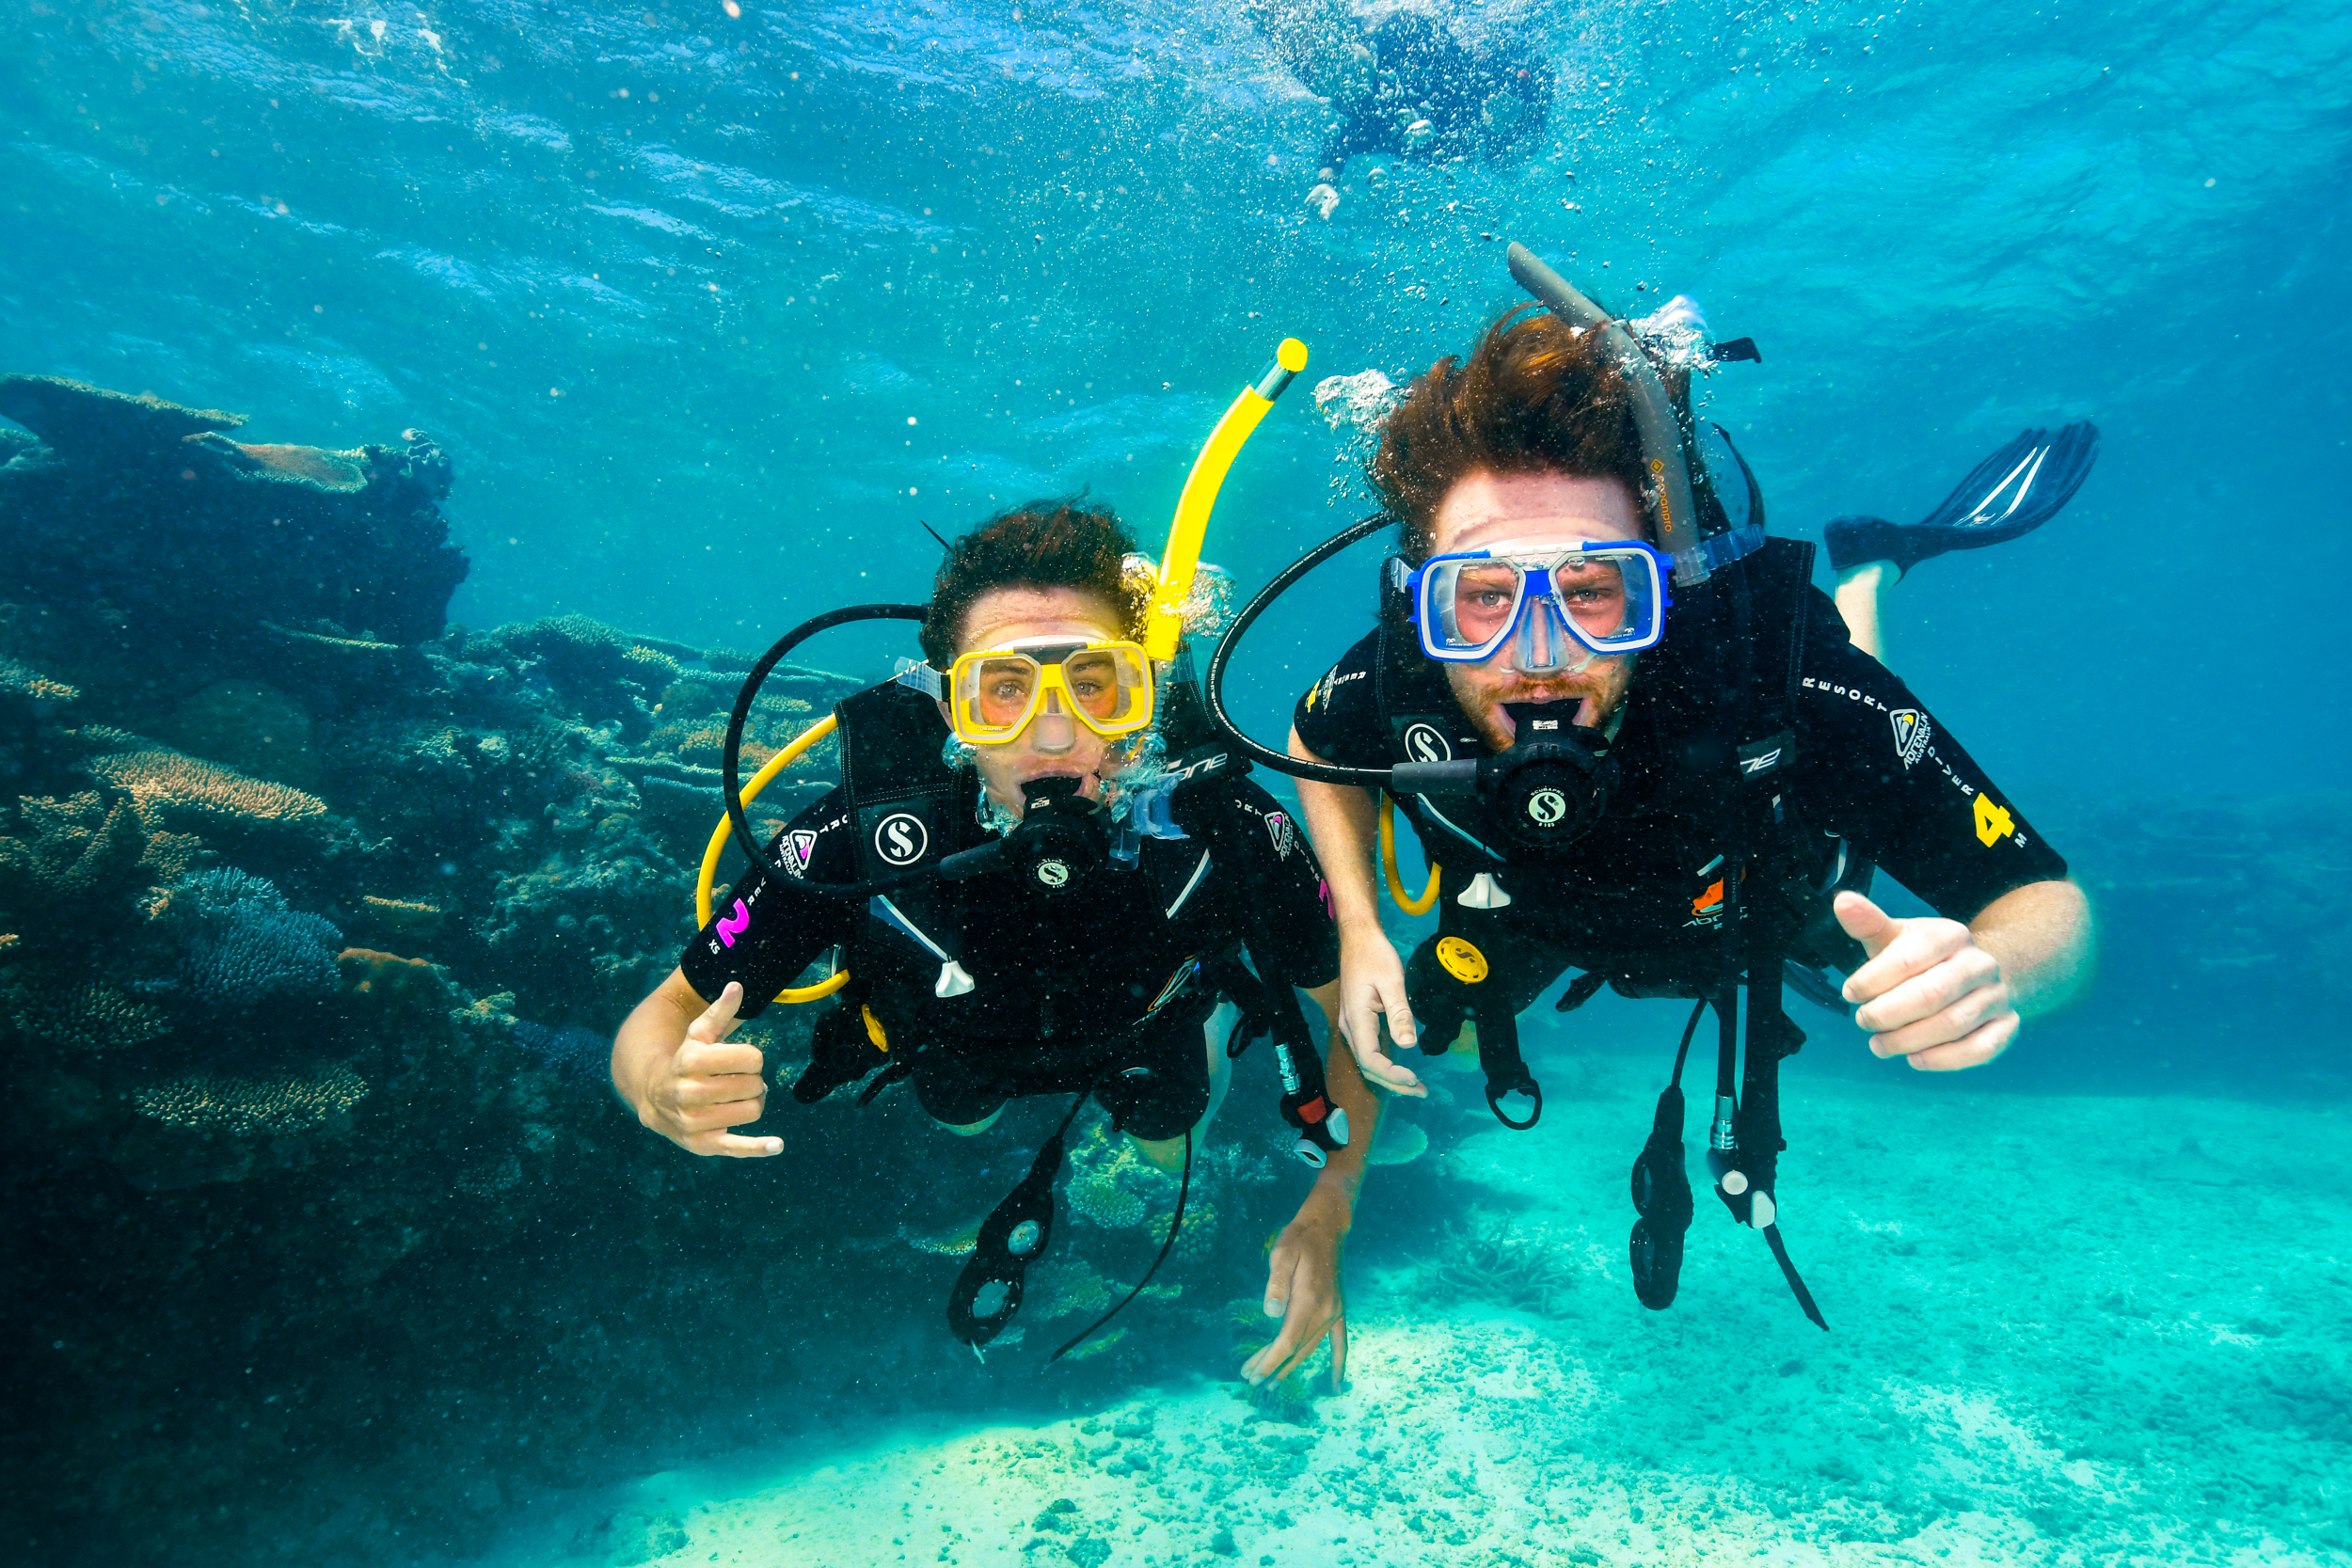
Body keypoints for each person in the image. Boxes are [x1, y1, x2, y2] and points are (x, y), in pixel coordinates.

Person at [1232, 254, 2095, 1379]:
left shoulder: (1763, 673)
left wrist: (1991, 968)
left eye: (1593, 591)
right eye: (1480, 597)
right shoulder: (1396, 675)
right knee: (1393, 1029)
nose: (1535, 651)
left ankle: (1872, 578)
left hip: (1762, 889)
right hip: (1518, 909)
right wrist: (1356, 936)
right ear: (1420, 597)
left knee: (1849, 747)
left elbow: (2048, 904)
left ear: (1662, 587)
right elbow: (1316, 743)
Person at [611, 500, 1380, 1357]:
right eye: (1003, 690)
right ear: (949, 707)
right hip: (958, 1049)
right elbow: (664, 1014)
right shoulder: (864, 835)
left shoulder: (1224, 825)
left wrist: (1333, 1202)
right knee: (963, 1113)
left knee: (1173, 1134)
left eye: (1093, 683)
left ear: (1146, 693)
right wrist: (656, 1091)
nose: (1053, 736)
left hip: (1147, 1032)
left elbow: (1357, 1009)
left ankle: (1205, 1030)